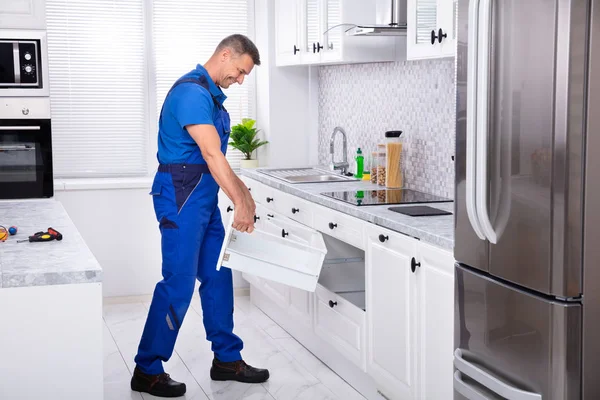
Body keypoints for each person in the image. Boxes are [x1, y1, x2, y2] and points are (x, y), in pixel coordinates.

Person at [130, 34, 267, 398]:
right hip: (180, 195)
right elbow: (211, 154)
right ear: (224, 55)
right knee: (179, 281)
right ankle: (147, 368)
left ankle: (226, 358)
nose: (239, 81)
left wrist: (243, 197)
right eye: (239, 71)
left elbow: (214, 161)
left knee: (218, 275)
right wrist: (242, 200)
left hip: (201, 198)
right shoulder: (191, 93)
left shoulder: (210, 97)